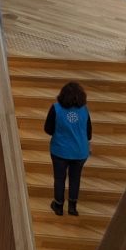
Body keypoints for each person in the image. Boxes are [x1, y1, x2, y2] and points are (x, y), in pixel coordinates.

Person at [44, 80, 92, 216]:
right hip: (80, 152)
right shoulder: (84, 110)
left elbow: (48, 129)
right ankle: (72, 207)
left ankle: (58, 206)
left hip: (60, 150)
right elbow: (89, 133)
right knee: (75, 178)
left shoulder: (56, 108)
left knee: (59, 178)